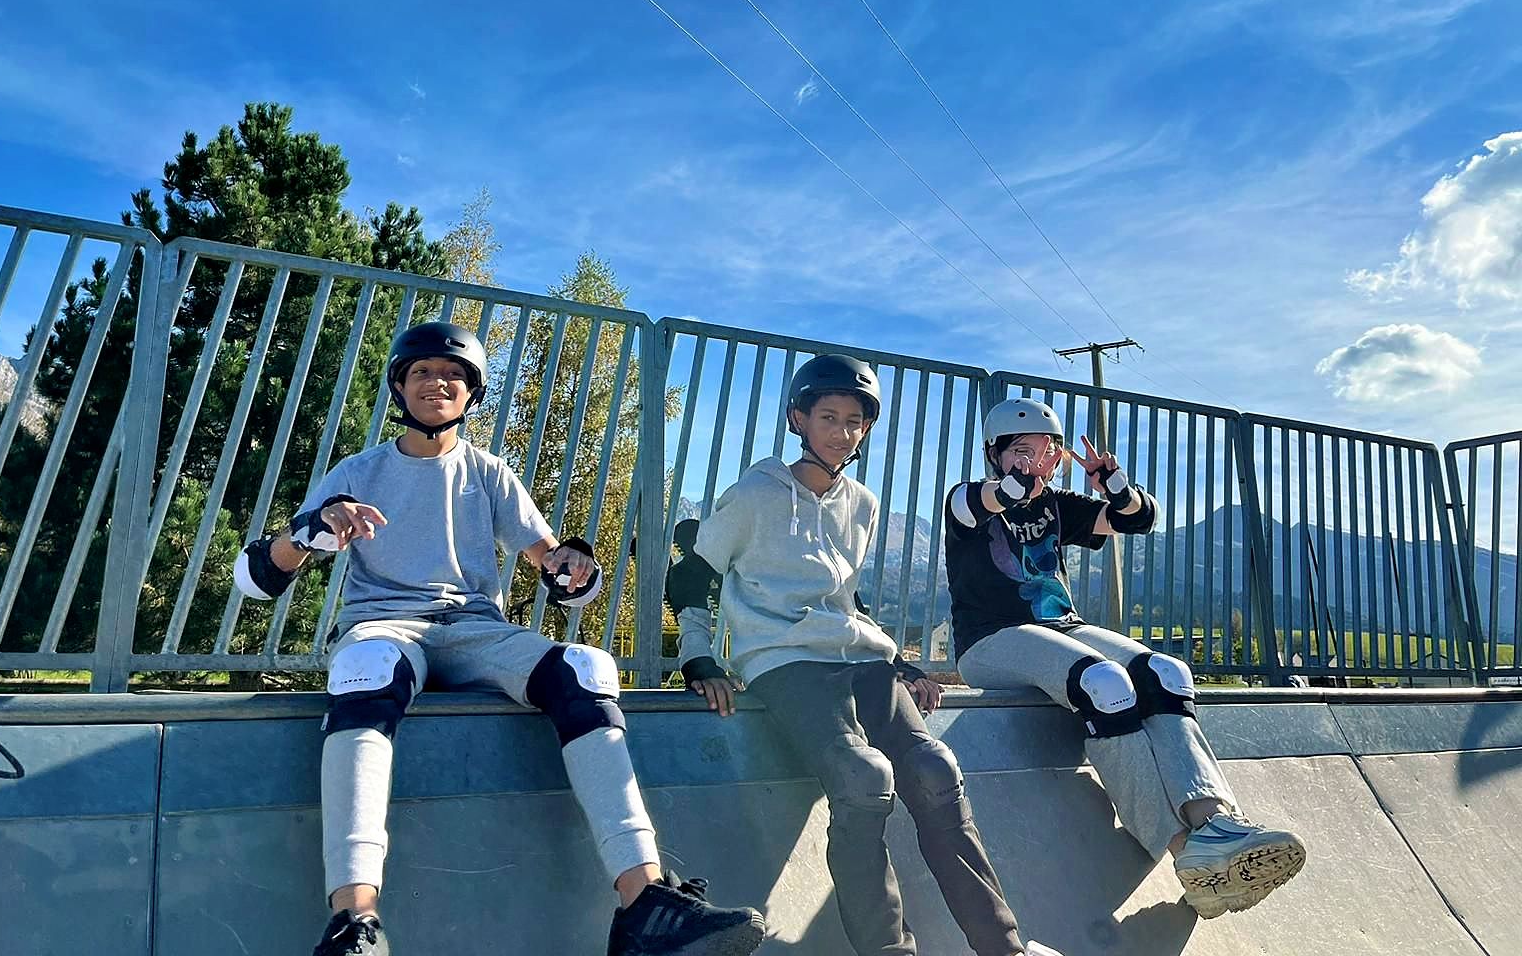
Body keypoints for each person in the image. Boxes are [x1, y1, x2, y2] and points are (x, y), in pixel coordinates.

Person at [233, 321, 766, 956]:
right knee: (366, 668)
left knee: (587, 668)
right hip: (385, 626)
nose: (437, 383)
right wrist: (311, 530)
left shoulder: (487, 472)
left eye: (453, 375)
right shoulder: (358, 471)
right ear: (399, 386)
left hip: (475, 630)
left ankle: (644, 904)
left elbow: (556, 567)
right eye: (422, 372)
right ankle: (355, 920)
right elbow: (256, 580)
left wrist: (573, 567)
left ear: (473, 393)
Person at [667, 354, 1063, 956]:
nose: (842, 432)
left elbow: (847, 598)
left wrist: (898, 661)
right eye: (828, 417)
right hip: (786, 661)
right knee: (863, 778)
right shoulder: (752, 494)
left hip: (863, 661)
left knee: (935, 773)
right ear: (798, 419)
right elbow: (694, 574)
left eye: (854, 422)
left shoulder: (862, 503)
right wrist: (699, 658)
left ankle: (1003, 947)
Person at [943, 397, 1306, 919]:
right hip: (990, 640)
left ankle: (1213, 822)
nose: (1034, 462)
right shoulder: (967, 500)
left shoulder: (1057, 506)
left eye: (1046, 451)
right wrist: (1015, 484)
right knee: (1105, 683)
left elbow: (1138, 519)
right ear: (993, 455)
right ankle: (1184, 851)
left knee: (1166, 673)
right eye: (1020, 451)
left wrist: (1112, 485)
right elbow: (977, 503)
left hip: (1061, 629)